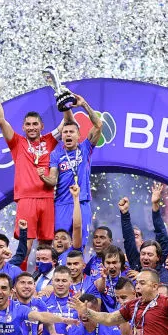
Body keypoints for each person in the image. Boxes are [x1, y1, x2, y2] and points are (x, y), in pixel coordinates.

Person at [0, 97, 73, 243]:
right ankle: (21, 267)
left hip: (47, 197)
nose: (31, 127)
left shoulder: (49, 140)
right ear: (23, 127)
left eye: (35, 124)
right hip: (26, 198)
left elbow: (67, 122)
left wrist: (64, 102)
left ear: (42, 126)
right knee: (27, 242)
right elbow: (0, 121)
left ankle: (47, 267)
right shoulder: (17, 142)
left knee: (47, 242)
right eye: (28, 124)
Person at [43, 95, 102, 243]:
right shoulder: (56, 155)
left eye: (71, 132)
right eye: (65, 132)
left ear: (79, 135)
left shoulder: (85, 148)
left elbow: (98, 125)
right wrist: (41, 176)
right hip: (62, 203)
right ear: (61, 136)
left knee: (79, 244)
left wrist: (84, 104)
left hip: (82, 201)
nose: (68, 134)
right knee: (60, 242)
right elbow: (52, 179)